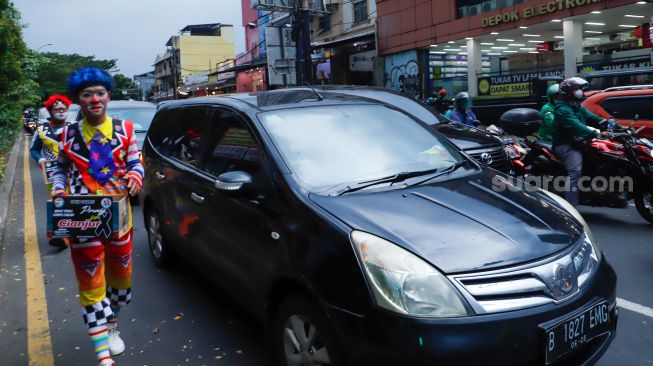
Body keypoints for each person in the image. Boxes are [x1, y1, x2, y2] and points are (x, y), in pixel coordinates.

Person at [50, 67, 144, 366]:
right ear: (79, 99)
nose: (94, 99)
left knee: (122, 284)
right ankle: (103, 356)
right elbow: (58, 168)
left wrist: (135, 175)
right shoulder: (64, 134)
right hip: (82, 215)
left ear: (108, 96)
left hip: (119, 217)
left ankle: (112, 322)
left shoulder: (126, 130)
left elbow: (135, 162)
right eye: (87, 94)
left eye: (99, 93)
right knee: (91, 283)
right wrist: (58, 191)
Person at [552, 77, 611, 206]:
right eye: (577, 89)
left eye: (580, 89)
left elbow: (593, 118)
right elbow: (576, 127)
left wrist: (612, 125)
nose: (580, 92)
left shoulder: (577, 106)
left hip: (580, 142)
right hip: (567, 145)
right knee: (575, 172)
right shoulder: (562, 109)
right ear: (568, 92)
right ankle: (572, 208)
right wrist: (598, 133)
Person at [30, 93, 72, 248]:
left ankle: (75, 229)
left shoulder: (74, 127)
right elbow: (34, 150)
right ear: (50, 111)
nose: (61, 111)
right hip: (52, 173)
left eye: (64, 108)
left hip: (73, 170)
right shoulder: (41, 130)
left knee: (73, 201)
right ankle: (61, 235)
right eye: (57, 108)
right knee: (59, 201)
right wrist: (40, 160)